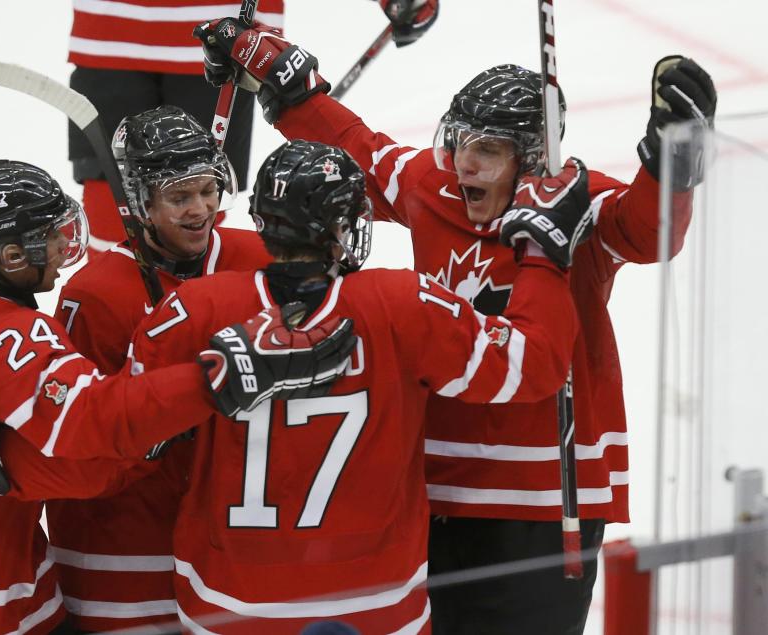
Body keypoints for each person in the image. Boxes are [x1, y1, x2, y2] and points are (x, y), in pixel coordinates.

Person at [194, 20, 718, 634]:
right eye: (459, 141)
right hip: (435, 490)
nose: (463, 164)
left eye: (487, 150)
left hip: (541, 503)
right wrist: (284, 84)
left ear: (530, 157)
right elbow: (364, 152)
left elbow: (646, 228)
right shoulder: (435, 188)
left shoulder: (575, 201)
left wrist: (669, 160)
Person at [0, 159, 355, 635]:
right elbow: (99, 430)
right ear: (12, 256)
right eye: (49, 238)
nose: (66, 248)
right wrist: (220, 378)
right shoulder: (9, 341)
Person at [127, 139, 590, 633]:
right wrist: (542, 254)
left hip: (227, 602)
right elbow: (533, 365)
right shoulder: (403, 304)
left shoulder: (191, 309)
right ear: (341, 226)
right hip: (376, 605)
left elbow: (129, 437)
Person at [45, 105, 274, 632]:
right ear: (139, 202)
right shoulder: (95, 294)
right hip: (124, 544)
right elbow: (76, 435)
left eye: (208, 191)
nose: (201, 210)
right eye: (179, 197)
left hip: (233, 535)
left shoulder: (258, 257)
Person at [68, 0, 438, 257]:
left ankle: (194, 321)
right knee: (113, 196)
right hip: (119, 34)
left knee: (200, 193)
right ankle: (112, 328)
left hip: (224, 41)